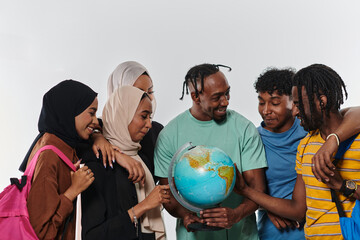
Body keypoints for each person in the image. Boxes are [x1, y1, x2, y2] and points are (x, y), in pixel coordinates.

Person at [235, 64, 360, 239]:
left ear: (321, 102)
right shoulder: (306, 146)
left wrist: (342, 185)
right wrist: (246, 191)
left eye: (298, 104)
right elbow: (298, 209)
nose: (294, 111)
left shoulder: (356, 138)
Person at [154, 63, 267, 240]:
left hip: (242, 235)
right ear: (195, 97)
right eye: (217, 97)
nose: (226, 101)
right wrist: (185, 215)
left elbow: (258, 188)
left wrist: (236, 214)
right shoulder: (169, 136)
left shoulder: (244, 129)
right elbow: (168, 194)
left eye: (227, 93)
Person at [81, 85, 170, 240]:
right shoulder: (98, 162)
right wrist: (144, 206)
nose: (149, 124)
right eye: (144, 116)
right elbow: (92, 236)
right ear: (123, 114)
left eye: (150, 117)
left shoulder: (143, 159)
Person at [24, 80, 97, 239]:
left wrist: (100, 139)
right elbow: (39, 233)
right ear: (70, 111)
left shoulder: (65, 146)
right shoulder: (50, 156)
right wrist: (73, 191)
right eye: (91, 113)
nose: (96, 121)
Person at [254, 68, 307, 240]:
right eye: (262, 102)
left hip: (316, 231)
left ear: (294, 101)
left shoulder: (309, 130)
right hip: (273, 234)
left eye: (274, 103)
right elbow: (240, 187)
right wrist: (268, 206)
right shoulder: (252, 139)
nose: (266, 110)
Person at [92, 61, 163, 180]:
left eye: (150, 92)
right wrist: (98, 137)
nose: (147, 98)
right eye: (138, 92)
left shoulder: (156, 131)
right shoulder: (97, 128)